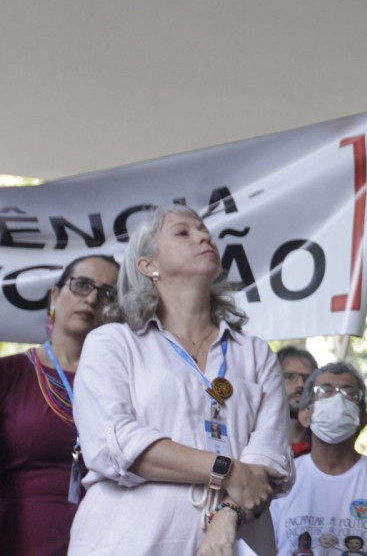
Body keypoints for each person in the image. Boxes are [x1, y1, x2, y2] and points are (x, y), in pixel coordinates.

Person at [69, 205, 293, 555]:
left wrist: (227, 516)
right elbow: (115, 444)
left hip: (235, 543)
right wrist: (226, 469)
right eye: (183, 232)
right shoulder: (113, 342)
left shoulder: (255, 353)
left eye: (204, 230)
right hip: (128, 542)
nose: (204, 236)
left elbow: (270, 461)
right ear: (148, 265)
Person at [0, 254, 119, 556]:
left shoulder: (127, 386)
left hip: (110, 542)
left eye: (107, 294)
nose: (92, 299)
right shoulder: (8, 374)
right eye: (81, 285)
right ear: (55, 295)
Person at [271, 361, 367, 556]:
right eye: (325, 391)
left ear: (362, 419)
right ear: (305, 416)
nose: (337, 399)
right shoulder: (281, 478)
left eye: (349, 393)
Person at [277, 345, 319, 457]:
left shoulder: (324, 447)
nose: (301, 384)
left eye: (308, 379)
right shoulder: (253, 442)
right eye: (290, 377)